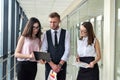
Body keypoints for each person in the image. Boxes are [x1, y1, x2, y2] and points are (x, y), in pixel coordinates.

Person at [41, 12, 70, 80]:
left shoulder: (66, 33)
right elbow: (44, 50)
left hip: (62, 65)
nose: (52, 24)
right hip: (49, 65)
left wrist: (59, 65)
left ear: (59, 21)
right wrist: (53, 65)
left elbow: (67, 50)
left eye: (54, 22)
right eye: (50, 22)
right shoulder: (46, 34)